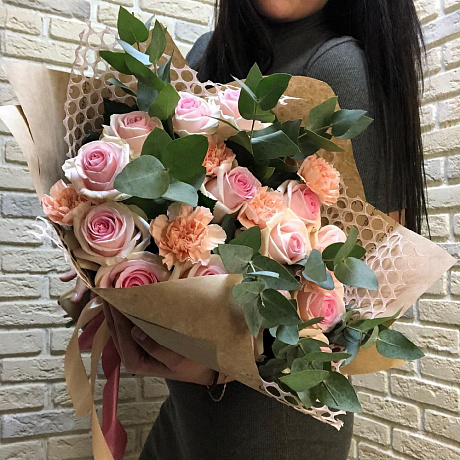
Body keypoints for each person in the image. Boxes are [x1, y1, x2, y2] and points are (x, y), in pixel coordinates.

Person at [62, 0, 427, 458]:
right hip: (186, 406)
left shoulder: (338, 64)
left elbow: (371, 291)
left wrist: (221, 364)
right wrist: (108, 261)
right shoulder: (204, 54)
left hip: (276, 422)